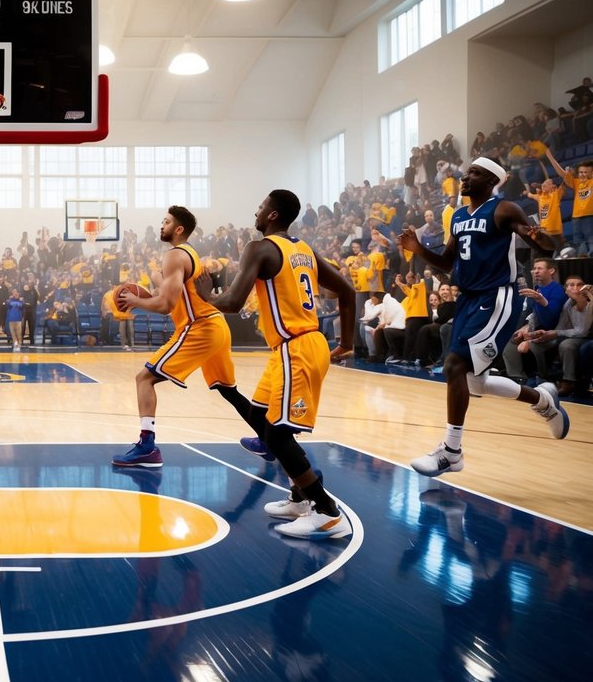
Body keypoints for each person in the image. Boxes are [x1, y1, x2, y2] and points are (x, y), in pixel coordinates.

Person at [397, 157, 570, 478]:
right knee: (474, 382)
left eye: (474, 173)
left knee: (454, 367)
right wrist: (419, 249)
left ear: (491, 181)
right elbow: (448, 264)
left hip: (497, 298)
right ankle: (542, 400)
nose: (465, 177)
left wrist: (542, 238)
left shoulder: (503, 209)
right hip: (468, 299)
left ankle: (451, 451)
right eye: (466, 172)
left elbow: (542, 242)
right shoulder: (460, 216)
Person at [206, 189, 357, 540]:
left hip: (297, 347)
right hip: (290, 349)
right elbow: (347, 291)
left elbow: (231, 301)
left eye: (260, 208)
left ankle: (326, 511)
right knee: (261, 419)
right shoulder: (303, 249)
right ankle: (299, 497)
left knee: (277, 433)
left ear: (272, 215)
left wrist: (203, 294)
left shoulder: (259, 248)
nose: (256, 213)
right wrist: (347, 342)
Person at [112, 206, 267, 468]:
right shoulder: (189, 253)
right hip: (216, 325)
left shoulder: (174, 255)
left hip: (200, 327)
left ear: (179, 229)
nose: (162, 225)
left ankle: (147, 447)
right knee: (228, 390)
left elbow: (165, 306)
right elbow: (171, 296)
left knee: (144, 378)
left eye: (166, 222)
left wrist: (135, 300)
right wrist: (154, 284)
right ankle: (268, 440)